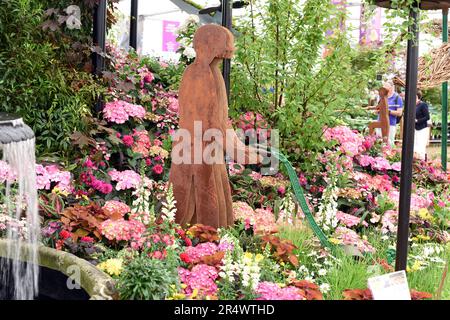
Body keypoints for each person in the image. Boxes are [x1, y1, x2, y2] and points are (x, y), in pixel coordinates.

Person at [384, 82, 403, 146]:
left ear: (391, 87)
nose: (384, 89)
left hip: (390, 124)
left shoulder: (397, 98)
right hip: (380, 123)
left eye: (386, 87)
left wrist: (388, 111)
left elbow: (400, 113)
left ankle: (389, 156)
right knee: (380, 143)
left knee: (389, 144)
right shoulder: (382, 96)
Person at [414, 90, 430, 160]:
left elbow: (427, 117)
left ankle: (422, 163)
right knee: (415, 147)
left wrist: (417, 121)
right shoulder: (413, 105)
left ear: (417, 96)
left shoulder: (423, 105)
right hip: (414, 128)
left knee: (421, 147)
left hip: (422, 128)